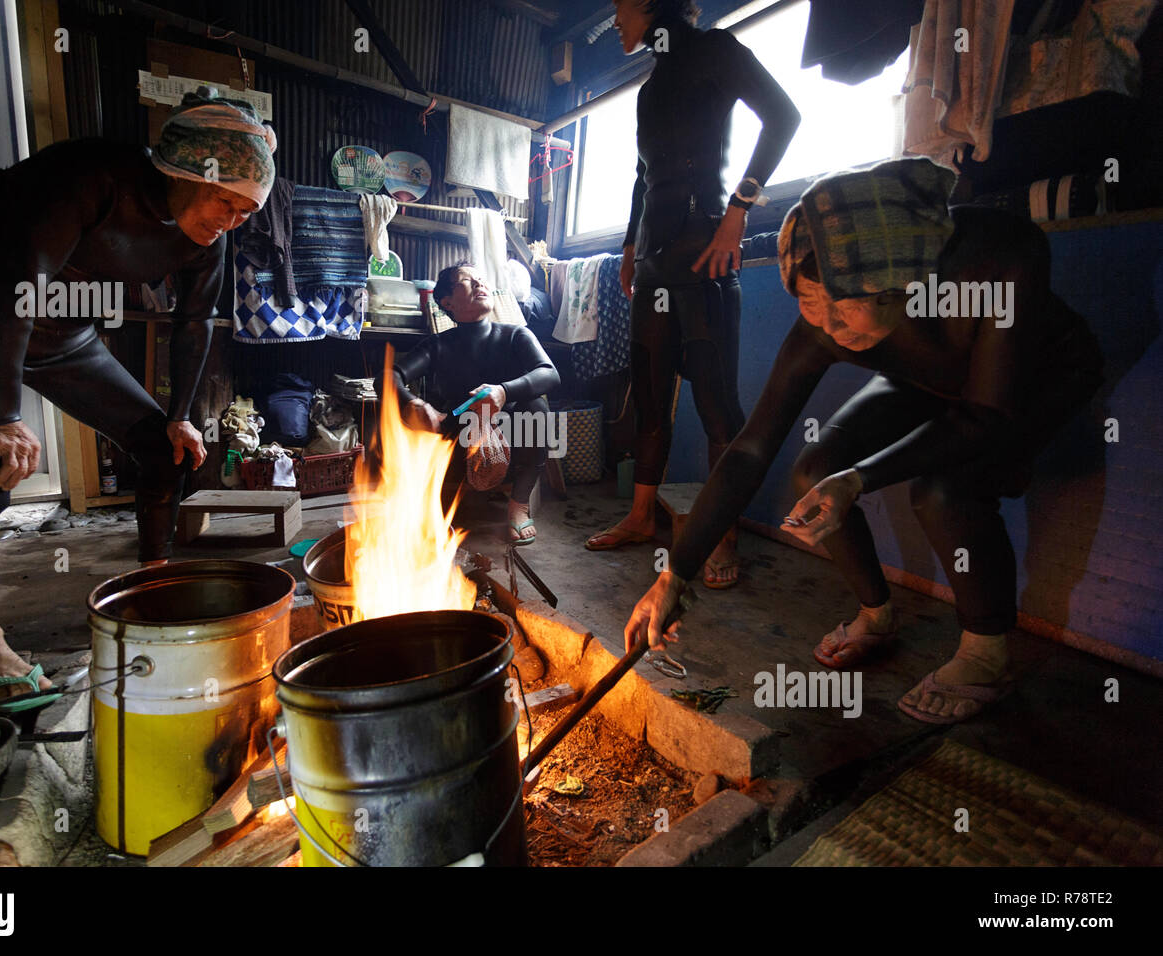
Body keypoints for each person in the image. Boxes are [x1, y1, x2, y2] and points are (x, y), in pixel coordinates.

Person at [624, 158, 1103, 725]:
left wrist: (861, 478)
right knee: (817, 468)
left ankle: (986, 654)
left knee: (945, 489)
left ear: (902, 279)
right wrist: (674, 572)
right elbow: (753, 444)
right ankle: (876, 616)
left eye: (846, 306)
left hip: (1029, 379)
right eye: (808, 304)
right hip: (925, 376)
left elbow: (985, 416)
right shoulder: (829, 307)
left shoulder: (997, 259)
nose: (830, 328)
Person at [0, 88, 276, 707]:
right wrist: (1, 417)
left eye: (245, 210)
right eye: (223, 199)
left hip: (64, 336)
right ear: (179, 170)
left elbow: (195, 323)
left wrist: (180, 418)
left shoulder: (212, 236)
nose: (230, 218)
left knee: (162, 447)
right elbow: (13, 289)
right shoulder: (89, 177)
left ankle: (154, 576)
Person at [585, 0, 800, 592]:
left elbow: (783, 116)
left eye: (621, 8)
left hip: (705, 252)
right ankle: (639, 516)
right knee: (650, 396)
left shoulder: (716, 52)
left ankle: (721, 531)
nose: (616, 21)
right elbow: (641, 174)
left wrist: (739, 211)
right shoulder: (650, 89)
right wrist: (630, 246)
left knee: (714, 401)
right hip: (654, 262)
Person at [380, 263, 560, 544]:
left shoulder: (515, 335)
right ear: (447, 302)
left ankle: (518, 505)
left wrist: (503, 392)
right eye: (467, 280)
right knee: (406, 413)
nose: (480, 285)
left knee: (536, 408)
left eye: (481, 279)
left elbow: (549, 374)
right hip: (458, 441)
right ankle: (424, 501)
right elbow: (388, 376)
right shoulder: (437, 345)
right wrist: (416, 404)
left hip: (510, 441)